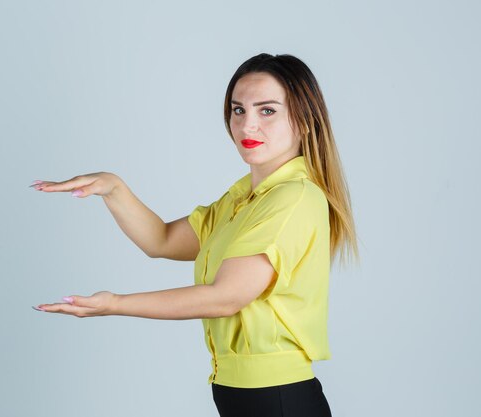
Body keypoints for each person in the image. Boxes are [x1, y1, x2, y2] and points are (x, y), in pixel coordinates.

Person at [31, 53, 359, 417]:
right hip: (242, 395)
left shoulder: (293, 197)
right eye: (238, 110)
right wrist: (114, 188)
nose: (247, 125)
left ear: (306, 121)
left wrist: (114, 304)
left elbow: (225, 298)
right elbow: (162, 240)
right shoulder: (243, 199)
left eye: (267, 111)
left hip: (277, 398)